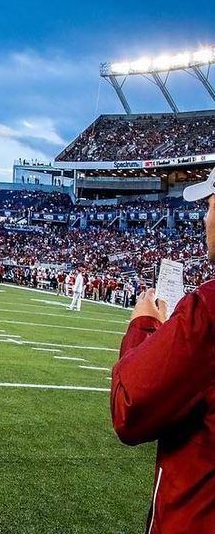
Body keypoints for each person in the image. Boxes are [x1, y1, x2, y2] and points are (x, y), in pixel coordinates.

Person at [110, 173, 215, 533]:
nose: (204, 218)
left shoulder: (209, 311)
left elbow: (131, 408)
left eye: (210, 205)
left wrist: (144, 325)